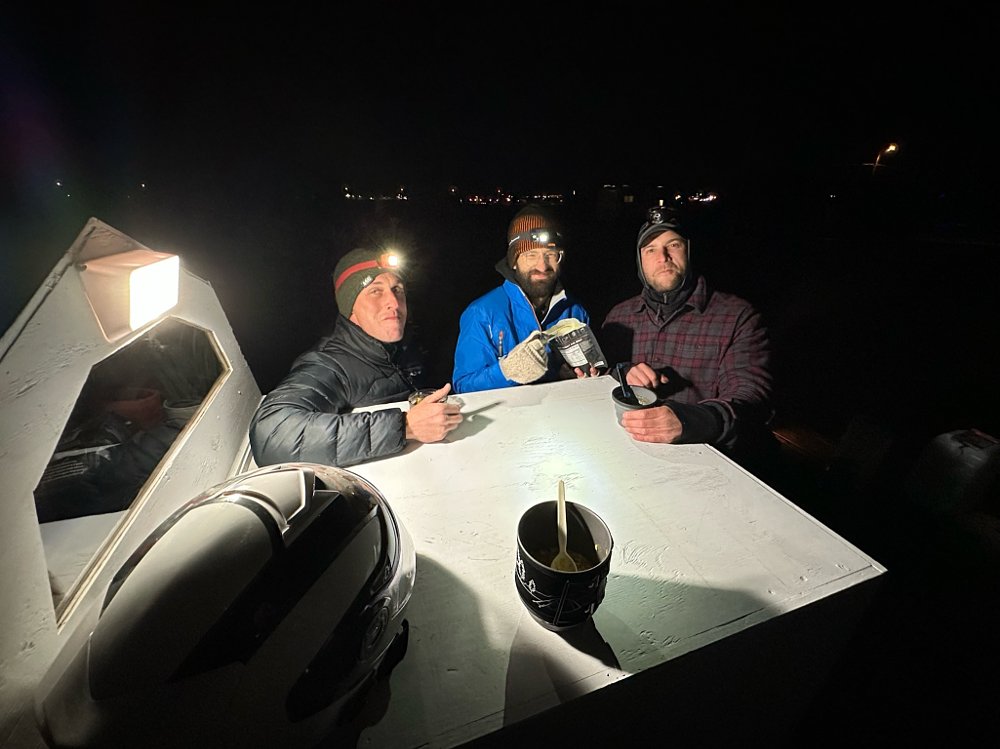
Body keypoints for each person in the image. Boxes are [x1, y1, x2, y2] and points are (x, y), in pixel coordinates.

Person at [249, 247, 462, 468]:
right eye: (375, 291)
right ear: (350, 307)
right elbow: (271, 434)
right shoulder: (329, 363)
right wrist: (406, 426)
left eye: (397, 289)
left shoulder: (401, 347)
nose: (394, 302)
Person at [600, 206, 775, 466]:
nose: (663, 257)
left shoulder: (736, 316)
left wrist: (691, 421)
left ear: (688, 251)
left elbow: (751, 396)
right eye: (650, 250)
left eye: (673, 245)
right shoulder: (619, 317)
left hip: (708, 462)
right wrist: (622, 373)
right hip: (627, 455)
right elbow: (603, 374)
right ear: (640, 262)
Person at [452, 204, 594, 393]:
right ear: (514, 262)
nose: (542, 266)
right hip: (507, 418)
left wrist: (574, 375)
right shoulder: (482, 313)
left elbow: (589, 372)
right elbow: (463, 386)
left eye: (550, 255)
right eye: (530, 255)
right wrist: (506, 372)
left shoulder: (575, 312)